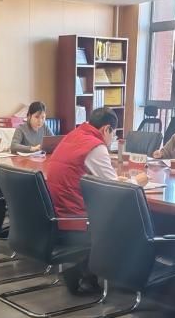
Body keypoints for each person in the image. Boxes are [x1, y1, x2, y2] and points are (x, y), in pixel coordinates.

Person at [45, 107, 120, 294]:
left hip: (53, 213)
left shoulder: (73, 135)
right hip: (73, 219)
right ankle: (82, 275)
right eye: (114, 134)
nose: (113, 138)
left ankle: (86, 274)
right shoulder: (96, 146)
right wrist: (138, 181)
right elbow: (117, 188)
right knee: (121, 220)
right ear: (106, 129)